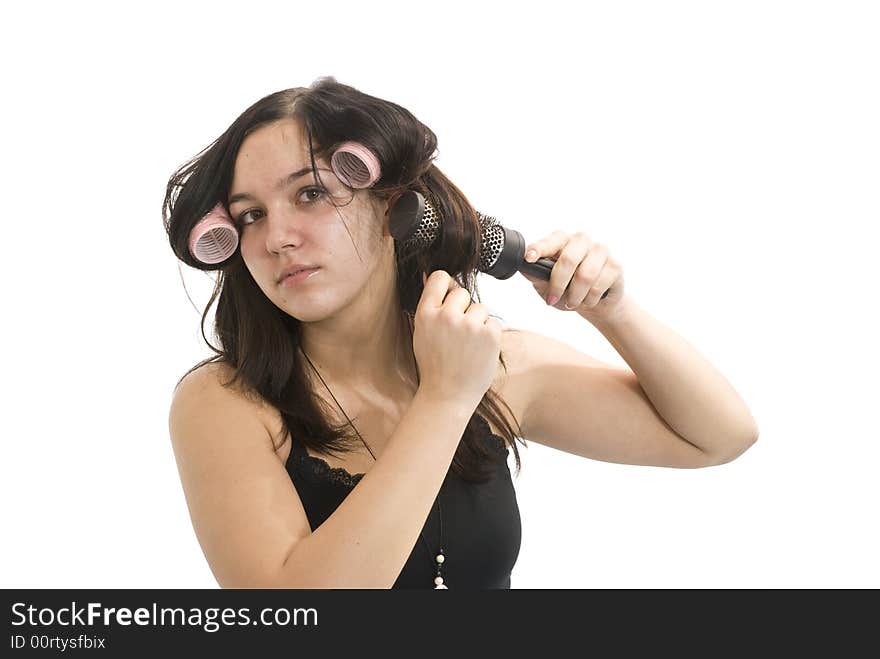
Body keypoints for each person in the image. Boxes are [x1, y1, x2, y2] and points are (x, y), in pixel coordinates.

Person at [164, 76, 759, 589]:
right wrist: (444, 399)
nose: (276, 238)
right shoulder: (226, 403)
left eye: (311, 193)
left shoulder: (490, 365)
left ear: (391, 204)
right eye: (251, 215)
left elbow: (719, 436)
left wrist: (610, 310)